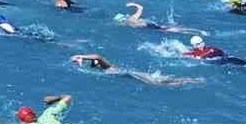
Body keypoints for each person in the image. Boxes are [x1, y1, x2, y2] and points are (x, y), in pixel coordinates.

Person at [71, 53, 204, 87]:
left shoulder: (108, 68)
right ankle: (193, 80)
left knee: (160, 84)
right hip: (136, 74)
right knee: (163, 80)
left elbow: (97, 56)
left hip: (135, 75)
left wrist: (80, 56)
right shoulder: (110, 68)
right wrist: (80, 60)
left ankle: (189, 82)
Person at [116, 2, 201, 34]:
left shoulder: (129, 21)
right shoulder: (131, 19)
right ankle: (195, 30)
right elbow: (141, 8)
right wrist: (132, 4)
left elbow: (140, 8)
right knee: (168, 28)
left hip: (148, 26)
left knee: (169, 29)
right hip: (150, 24)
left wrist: (132, 4)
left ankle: (192, 32)